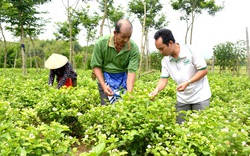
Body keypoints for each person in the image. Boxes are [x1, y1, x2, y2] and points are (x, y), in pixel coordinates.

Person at [149, 28, 211, 124]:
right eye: (158, 49)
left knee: (201, 126)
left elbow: (203, 70)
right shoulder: (165, 60)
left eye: (162, 48)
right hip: (183, 98)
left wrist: (188, 82)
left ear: (170, 43)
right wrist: (156, 90)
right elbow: (163, 79)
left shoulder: (191, 51)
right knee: (180, 128)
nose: (161, 52)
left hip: (200, 96)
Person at [91, 19, 140, 105]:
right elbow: (96, 66)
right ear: (115, 33)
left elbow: (131, 72)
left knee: (124, 107)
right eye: (123, 36)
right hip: (105, 78)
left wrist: (129, 93)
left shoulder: (134, 48)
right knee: (106, 107)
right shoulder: (101, 43)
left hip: (123, 79)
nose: (126, 40)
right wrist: (104, 86)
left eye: (129, 37)